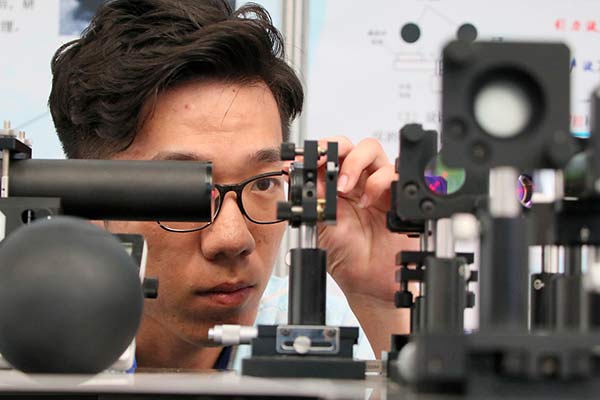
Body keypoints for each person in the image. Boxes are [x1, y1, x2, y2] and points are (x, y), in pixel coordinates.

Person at [48, 0, 416, 370]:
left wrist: (382, 306)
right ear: (86, 203)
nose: (232, 238)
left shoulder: (324, 332)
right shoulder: (33, 341)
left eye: (263, 183)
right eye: (182, 191)